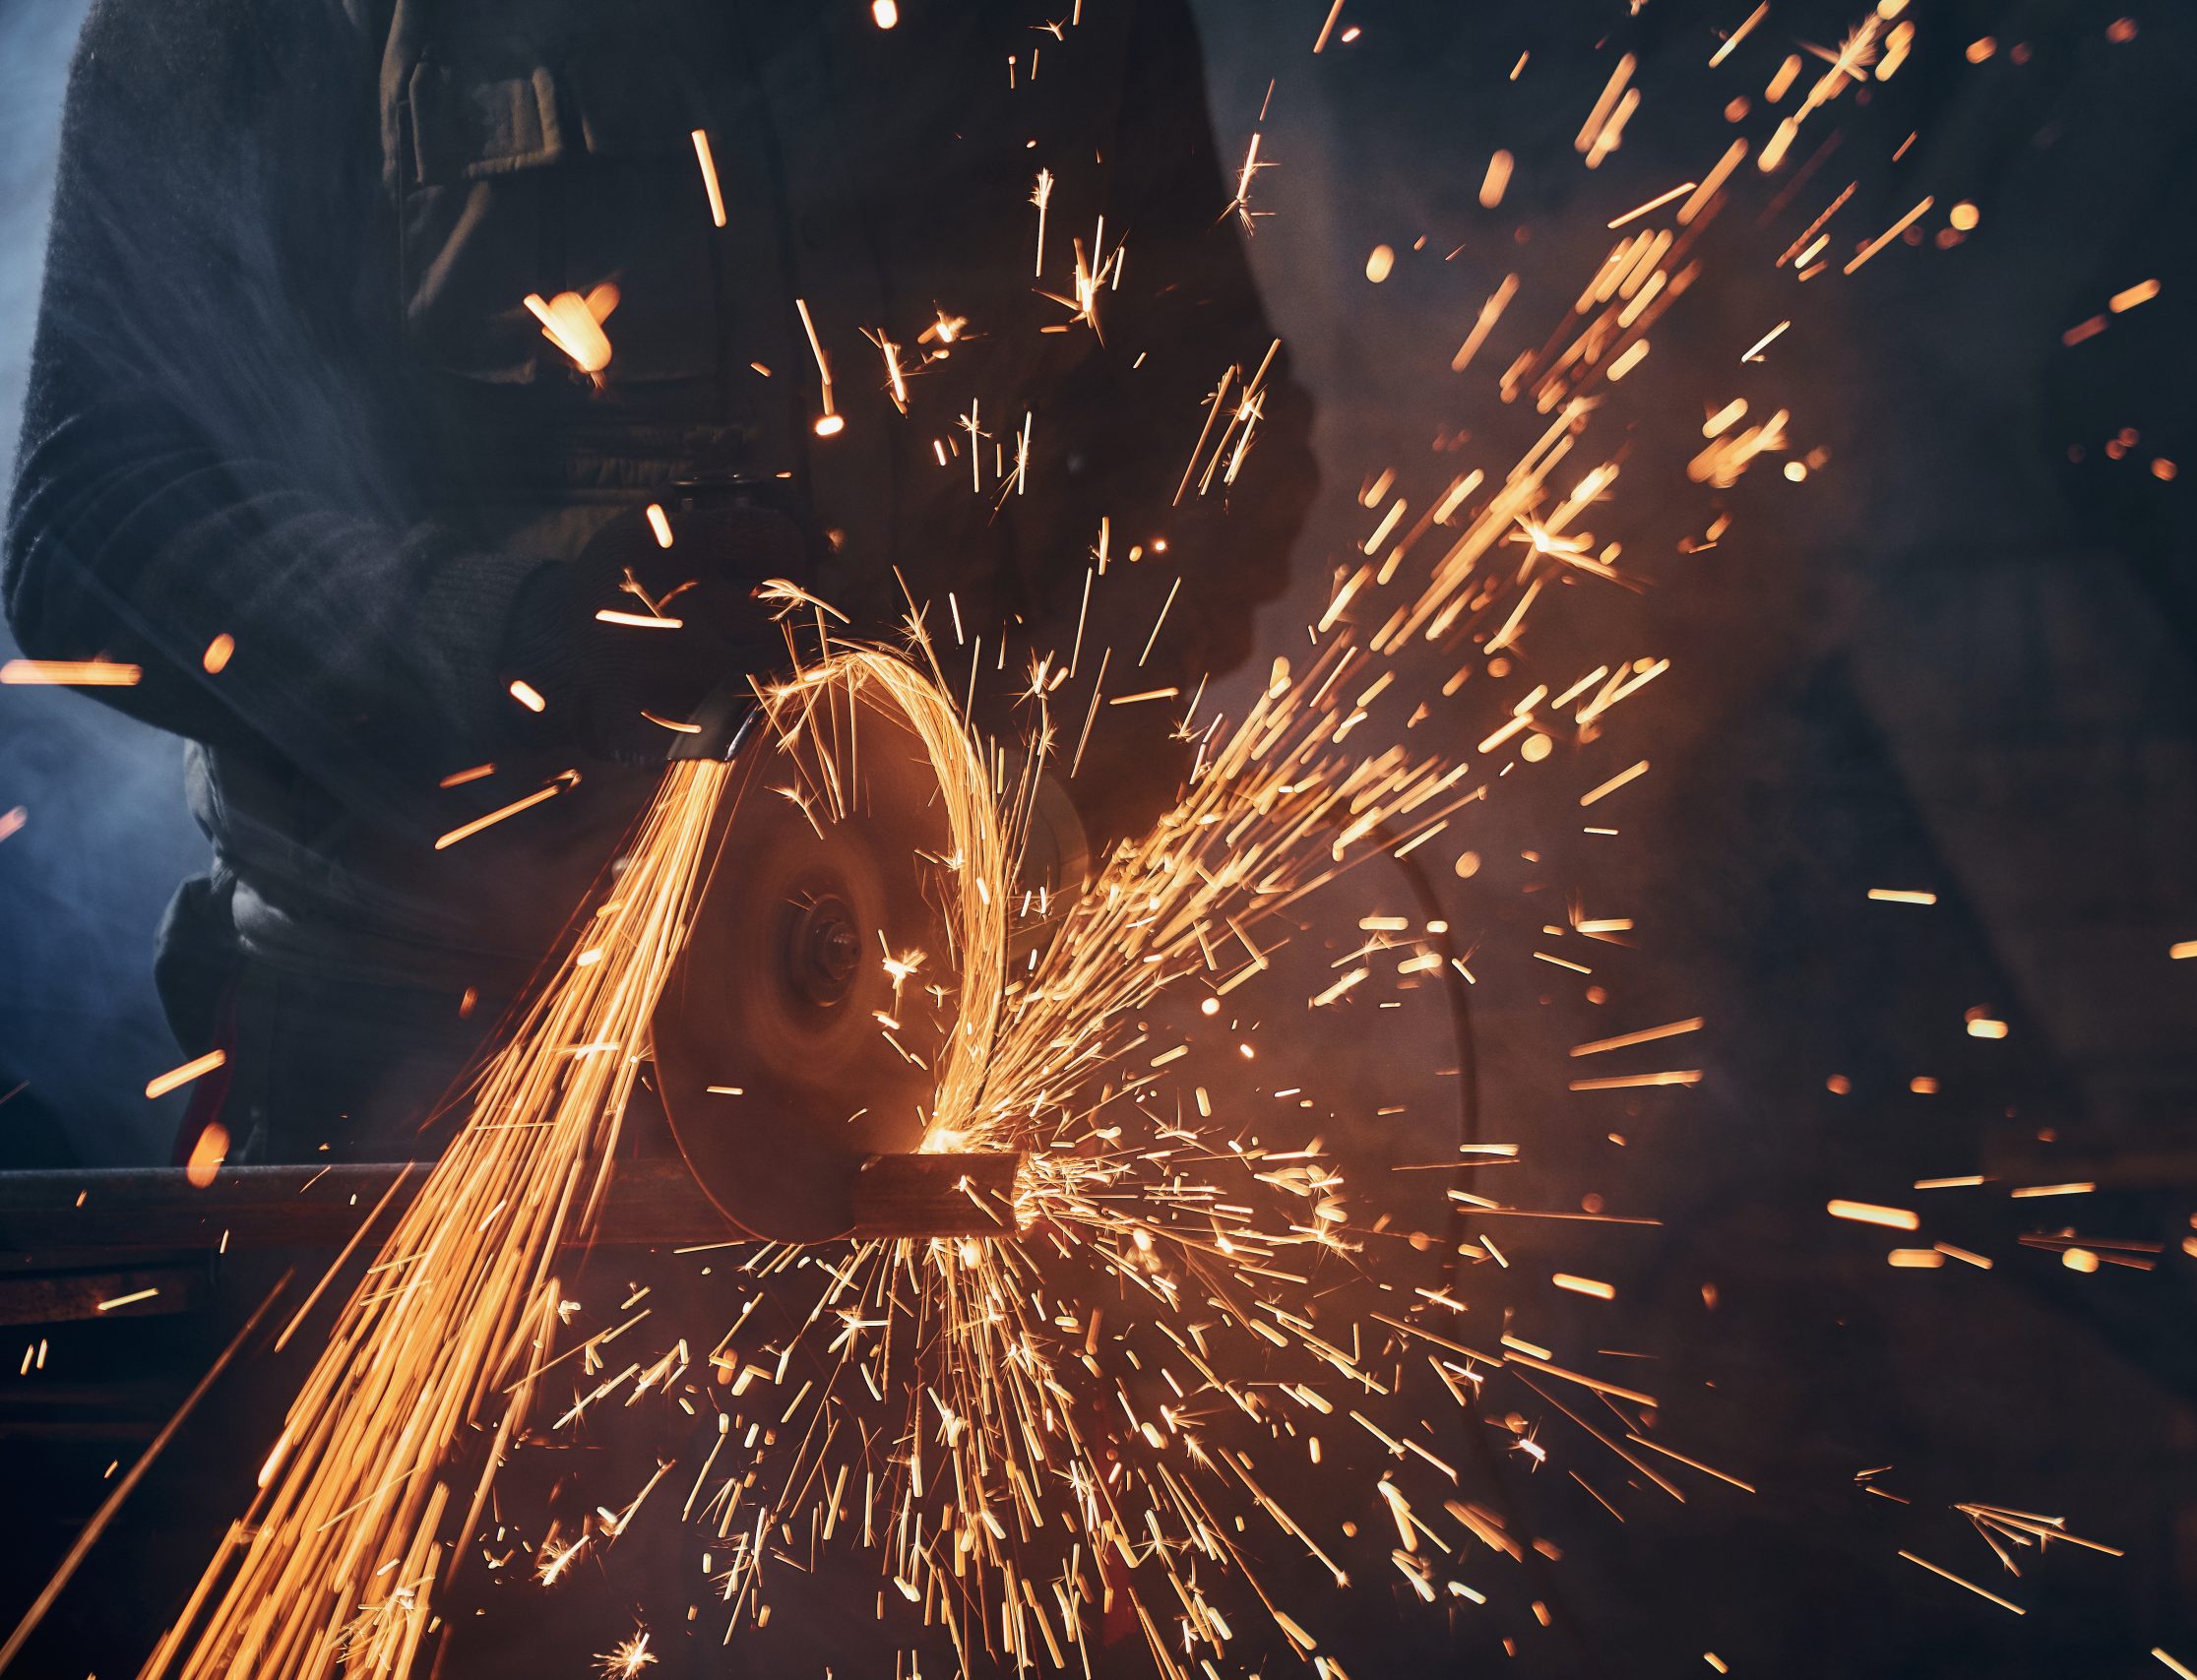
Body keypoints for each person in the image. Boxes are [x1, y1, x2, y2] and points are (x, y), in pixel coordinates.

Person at [4, 0, 1315, 1166]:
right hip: (428, 1069)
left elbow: (1214, 424)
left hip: (942, 1047)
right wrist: (520, 640)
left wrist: (1052, 781)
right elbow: (89, 525)